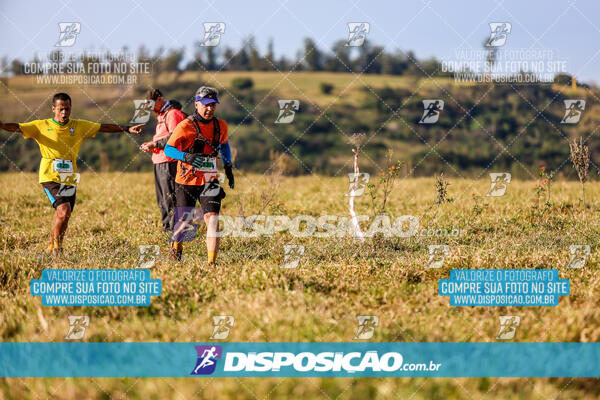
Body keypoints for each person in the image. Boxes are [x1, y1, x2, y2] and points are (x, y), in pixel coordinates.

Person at [0, 92, 144, 255]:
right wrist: (3, 125)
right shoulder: (41, 125)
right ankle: (57, 250)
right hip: (50, 175)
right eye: (61, 109)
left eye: (67, 109)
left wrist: (127, 128)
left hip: (69, 176)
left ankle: (52, 246)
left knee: (63, 215)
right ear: (53, 108)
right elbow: (18, 127)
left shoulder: (79, 125)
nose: (64, 113)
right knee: (64, 210)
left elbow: (102, 127)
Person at [164, 86, 234, 263]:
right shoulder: (185, 125)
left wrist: (228, 166)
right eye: (206, 104)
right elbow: (168, 149)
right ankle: (176, 248)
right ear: (196, 104)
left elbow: (224, 145)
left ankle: (212, 263)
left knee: (213, 219)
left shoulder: (221, 125)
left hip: (210, 180)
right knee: (184, 222)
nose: (210, 108)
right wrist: (186, 156)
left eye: (213, 105)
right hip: (186, 179)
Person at [139, 88, 186, 232]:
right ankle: (167, 230)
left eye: (151, 105)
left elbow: (175, 137)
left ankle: (175, 231)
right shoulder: (162, 115)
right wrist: (151, 144)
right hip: (159, 161)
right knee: (162, 200)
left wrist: (155, 144)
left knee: (170, 198)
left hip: (170, 161)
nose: (150, 110)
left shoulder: (173, 114)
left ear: (159, 99)